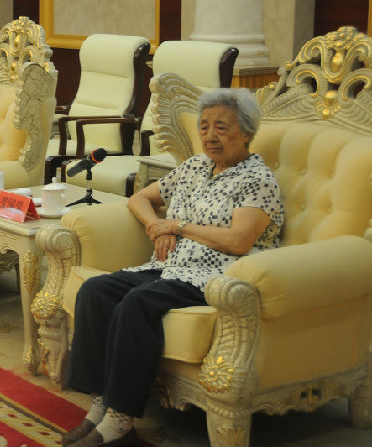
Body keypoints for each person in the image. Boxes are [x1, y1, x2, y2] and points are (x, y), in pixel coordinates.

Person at [59, 88, 283, 447]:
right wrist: (156, 226)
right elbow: (140, 198)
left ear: (246, 132)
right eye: (204, 126)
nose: (210, 135)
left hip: (218, 275)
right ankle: (99, 406)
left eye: (221, 127)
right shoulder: (194, 167)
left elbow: (239, 240)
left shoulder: (257, 179)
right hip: (171, 266)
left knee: (137, 304)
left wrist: (177, 227)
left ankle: (120, 421)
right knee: (96, 291)